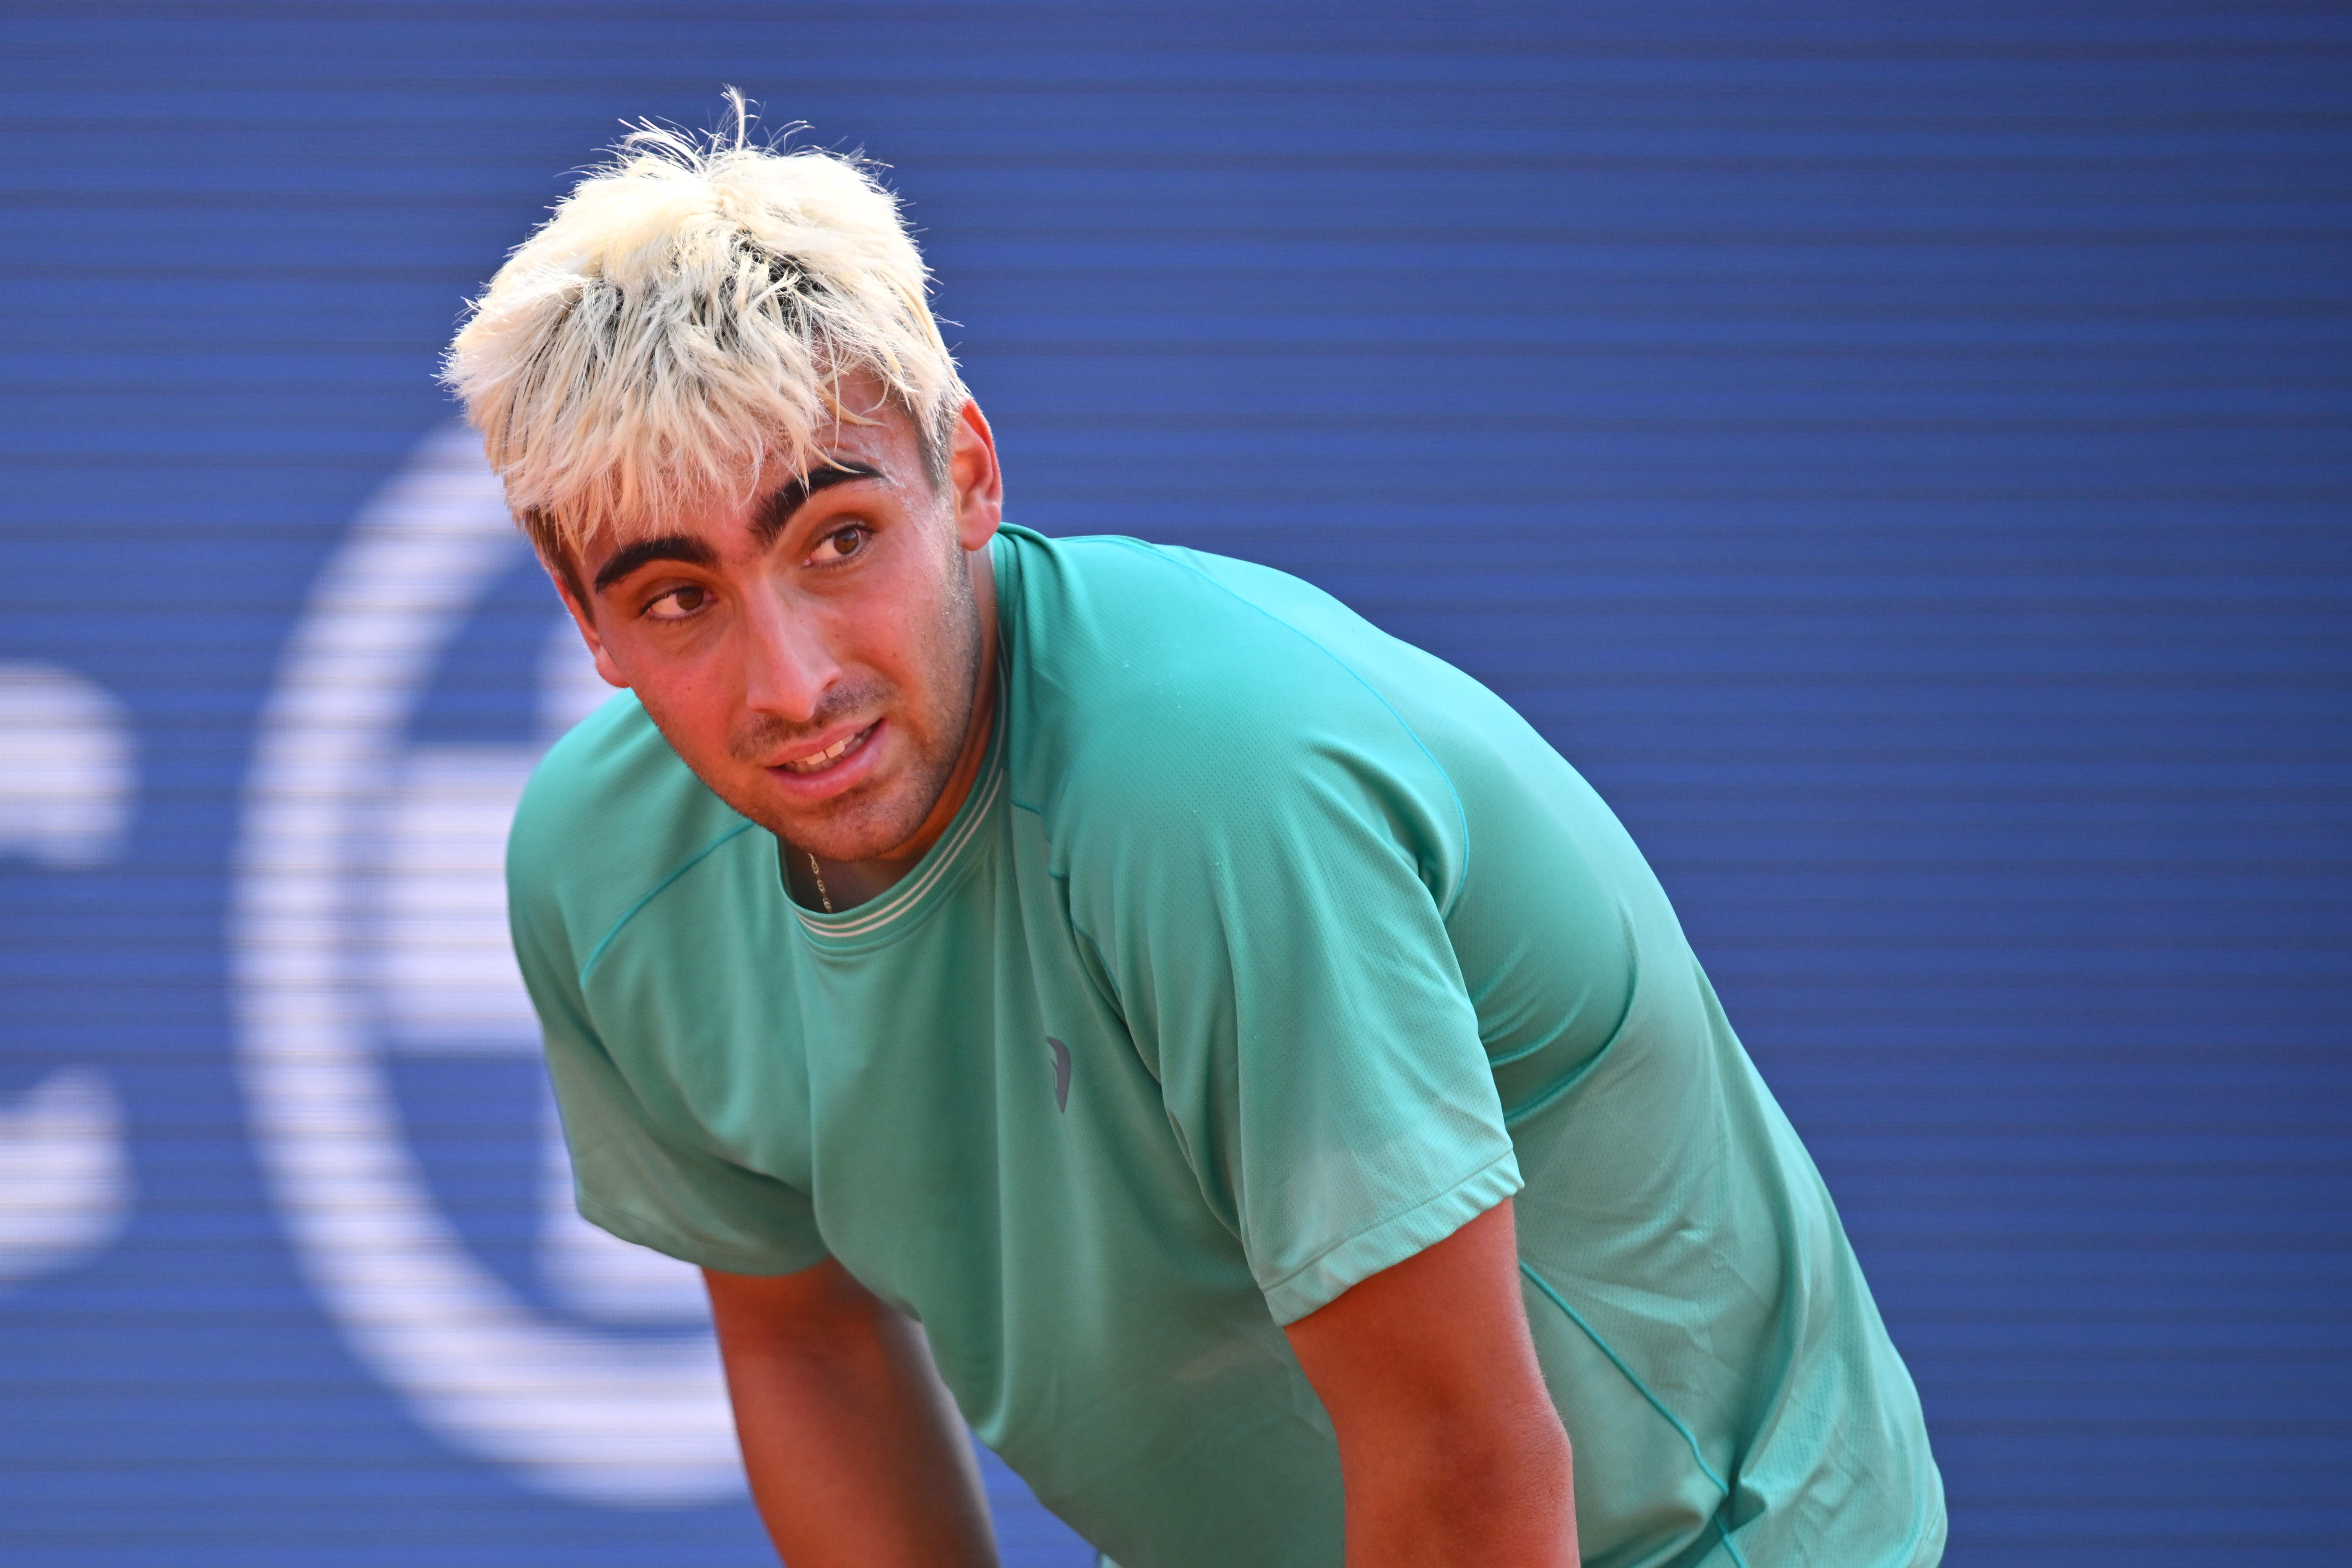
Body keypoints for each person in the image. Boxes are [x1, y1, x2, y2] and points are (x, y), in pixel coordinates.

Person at [445, 107, 1945, 1568]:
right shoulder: (602, 868)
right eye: (678, 597)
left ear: (968, 473)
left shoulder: (1220, 792)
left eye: (838, 539)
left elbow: (1465, 1463)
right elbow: (807, 1341)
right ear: (589, 622)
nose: (791, 684)